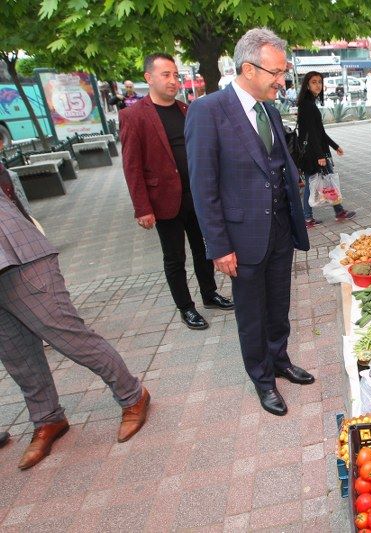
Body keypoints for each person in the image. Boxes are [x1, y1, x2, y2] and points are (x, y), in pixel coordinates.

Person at [185, 27, 315, 417]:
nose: (283, 81)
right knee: (251, 312)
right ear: (249, 68)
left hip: (278, 229)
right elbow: (203, 186)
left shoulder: (270, 111)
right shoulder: (208, 111)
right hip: (241, 238)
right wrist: (218, 245)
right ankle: (262, 379)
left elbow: (277, 162)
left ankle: (280, 359)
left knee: (279, 303)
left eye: (284, 72)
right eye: (276, 73)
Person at [0, 193, 150, 469]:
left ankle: (133, 395)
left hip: (17, 256)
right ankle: (48, 418)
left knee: (69, 338)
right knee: (16, 356)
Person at [120, 53, 234, 331]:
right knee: (174, 258)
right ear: (149, 78)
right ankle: (186, 307)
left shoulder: (187, 110)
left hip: (196, 196)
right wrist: (142, 208)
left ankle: (209, 294)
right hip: (164, 201)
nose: (173, 81)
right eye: (166, 75)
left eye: (175, 75)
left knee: (204, 250)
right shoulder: (133, 116)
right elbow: (131, 166)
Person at [296, 71, 356, 228]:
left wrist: (335, 146)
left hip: (316, 151)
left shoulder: (309, 103)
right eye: (314, 82)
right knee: (312, 184)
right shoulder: (307, 105)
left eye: (320, 82)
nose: (318, 85)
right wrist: (319, 155)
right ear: (307, 85)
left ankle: (337, 211)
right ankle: (308, 218)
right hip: (313, 153)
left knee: (327, 180)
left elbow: (320, 132)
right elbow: (312, 133)